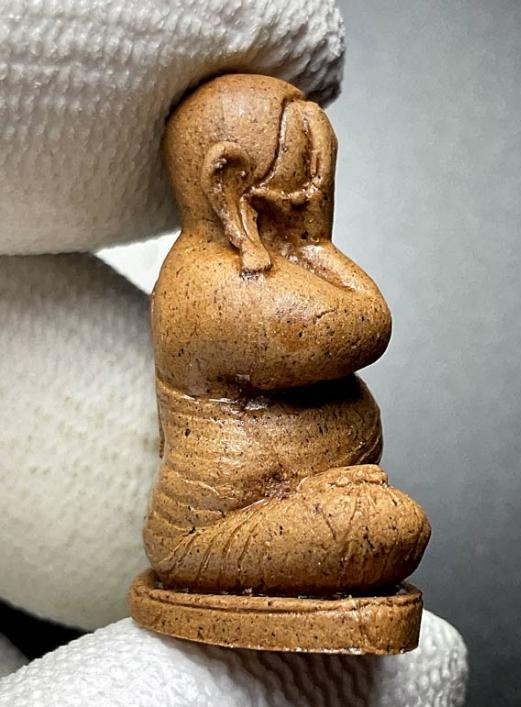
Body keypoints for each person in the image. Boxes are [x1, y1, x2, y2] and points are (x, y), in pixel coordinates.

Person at [0, 0, 467, 704]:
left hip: (288, 502)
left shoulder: (261, 267)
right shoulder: (212, 286)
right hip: (214, 532)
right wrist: (314, 242)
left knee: (383, 520)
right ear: (228, 183)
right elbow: (363, 324)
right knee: (390, 527)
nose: (318, 187)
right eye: (306, 167)